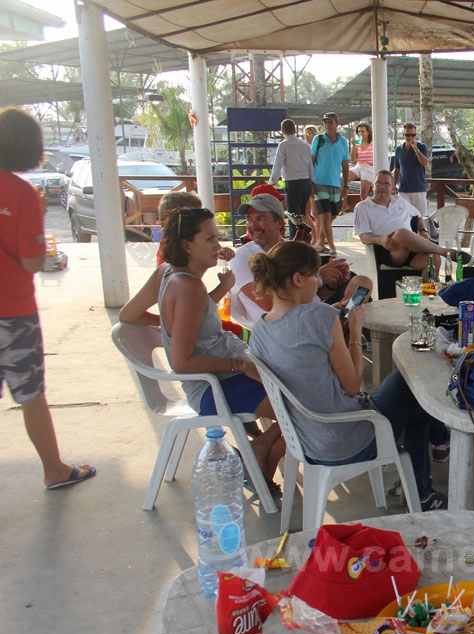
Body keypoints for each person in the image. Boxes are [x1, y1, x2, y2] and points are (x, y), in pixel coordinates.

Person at [247, 241, 449, 511]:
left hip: (307, 442)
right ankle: (434, 456)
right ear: (297, 279)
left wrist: (332, 323)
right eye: (314, 276)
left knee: (416, 411)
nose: (318, 283)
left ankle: (423, 484)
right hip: (349, 440)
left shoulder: (260, 330)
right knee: (411, 375)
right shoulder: (319, 316)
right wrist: (354, 331)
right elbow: (353, 386)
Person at [119, 207, 285, 485]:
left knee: (300, 393)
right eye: (209, 239)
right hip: (215, 386)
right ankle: (257, 454)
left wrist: (178, 321)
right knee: (304, 403)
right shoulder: (189, 288)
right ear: (187, 245)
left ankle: (258, 453)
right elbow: (182, 362)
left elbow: (129, 315)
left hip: (216, 380)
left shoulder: (166, 273)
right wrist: (240, 365)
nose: (218, 246)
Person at [0, 106, 96, 489]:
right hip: (15, 312)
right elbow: (32, 261)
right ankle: (54, 469)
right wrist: (36, 215)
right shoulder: (22, 194)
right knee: (30, 395)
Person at [228, 192, 367, 324]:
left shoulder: (293, 249)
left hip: (313, 312)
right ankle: (348, 328)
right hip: (288, 323)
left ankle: (346, 319)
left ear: (280, 223)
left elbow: (310, 295)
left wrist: (331, 284)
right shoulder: (241, 257)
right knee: (353, 318)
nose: (253, 226)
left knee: (362, 283)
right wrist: (320, 277)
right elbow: (267, 302)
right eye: (249, 219)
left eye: (261, 218)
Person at [354, 170, 467, 281]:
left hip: (412, 249)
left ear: (393, 188)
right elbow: (364, 237)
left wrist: (423, 230)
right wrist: (381, 240)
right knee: (401, 233)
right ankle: (445, 252)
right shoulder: (363, 207)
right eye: (378, 183)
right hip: (389, 249)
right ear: (373, 186)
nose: (382, 187)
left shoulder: (399, 201)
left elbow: (418, 216)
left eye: (386, 184)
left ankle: (425, 295)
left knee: (434, 259)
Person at [310, 112, 351, 256]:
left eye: (330, 122)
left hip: (335, 183)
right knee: (325, 214)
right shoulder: (319, 139)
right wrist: (310, 182)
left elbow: (345, 165)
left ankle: (320, 242)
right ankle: (333, 247)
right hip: (319, 181)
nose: (327, 125)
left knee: (332, 214)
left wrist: (346, 185)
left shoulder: (343, 142)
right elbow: (311, 160)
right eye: (325, 122)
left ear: (337, 124)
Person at [269, 118, 315, 239]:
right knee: (304, 214)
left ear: (282, 131)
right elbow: (310, 164)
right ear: (295, 130)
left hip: (292, 182)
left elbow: (278, 164)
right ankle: (306, 240)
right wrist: (312, 180)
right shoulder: (304, 145)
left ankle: (296, 241)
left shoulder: (283, 145)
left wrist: (272, 181)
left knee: (294, 216)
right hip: (305, 181)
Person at [393, 122, 429, 215]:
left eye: (413, 135)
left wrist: (416, 149)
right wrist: (393, 185)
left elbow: (425, 163)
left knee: (420, 217)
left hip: (418, 189)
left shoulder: (422, 147)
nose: (410, 137)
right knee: (403, 216)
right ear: (403, 135)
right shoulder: (399, 149)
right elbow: (397, 168)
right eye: (407, 135)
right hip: (403, 189)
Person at [349, 122, 375, 199]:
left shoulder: (373, 142)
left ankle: (366, 209)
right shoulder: (357, 143)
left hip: (369, 168)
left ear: (368, 132)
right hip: (359, 166)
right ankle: (344, 204)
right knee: (341, 180)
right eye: (359, 131)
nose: (360, 133)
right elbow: (352, 159)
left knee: (363, 193)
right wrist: (353, 146)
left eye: (363, 131)